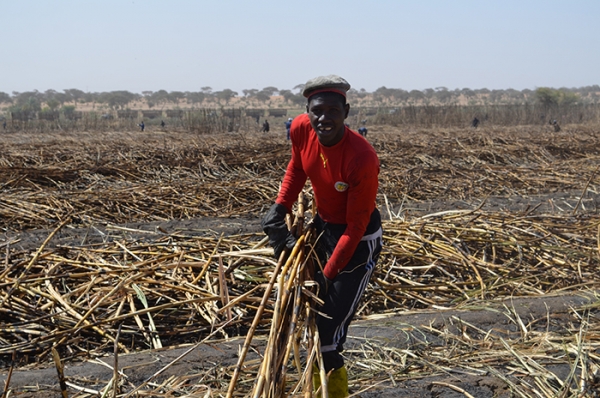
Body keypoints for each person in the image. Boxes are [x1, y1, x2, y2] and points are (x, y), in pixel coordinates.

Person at [261, 75, 382, 397]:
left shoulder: (362, 158)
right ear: (307, 110)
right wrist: (280, 206)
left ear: (347, 111)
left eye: (333, 110)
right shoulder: (301, 128)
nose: (324, 118)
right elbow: (298, 167)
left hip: (356, 244)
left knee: (327, 331)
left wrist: (327, 277)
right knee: (310, 323)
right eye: (317, 110)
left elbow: (355, 228)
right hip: (324, 230)